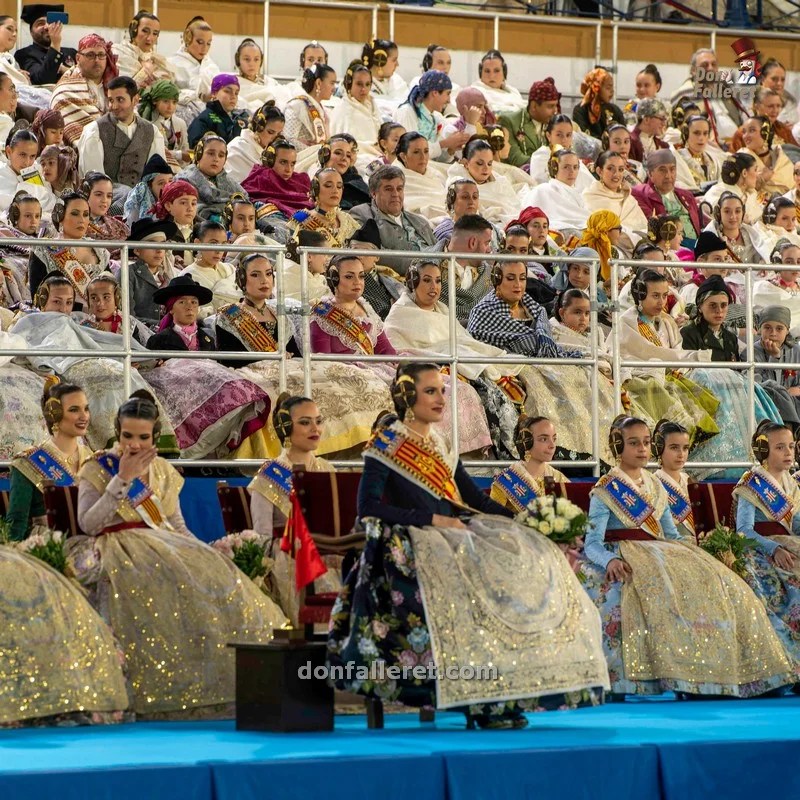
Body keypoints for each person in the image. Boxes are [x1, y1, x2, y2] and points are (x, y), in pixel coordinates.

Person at [328, 363, 608, 728]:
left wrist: (526, 523)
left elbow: (475, 498)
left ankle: (505, 690)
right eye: (430, 391)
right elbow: (367, 508)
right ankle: (479, 700)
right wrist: (432, 521)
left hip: (456, 534)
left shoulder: (442, 444)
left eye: (442, 391)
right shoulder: (386, 443)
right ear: (407, 395)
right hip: (413, 540)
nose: (440, 398)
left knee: (521, 561)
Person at [73, 390, 284, 716]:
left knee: (213, 578)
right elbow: (88, 523)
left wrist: (207, 554)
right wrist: (122, 479)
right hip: (114, 549)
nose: (135, 444)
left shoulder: (163, 473)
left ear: (155, 436)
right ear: (117, 431)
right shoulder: (98, 467)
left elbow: (177, 527)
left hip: (163, 546)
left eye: (143, 437)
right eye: (128, 435)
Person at [582, 415, 791, 697]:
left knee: (722, 583)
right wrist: (610, 560)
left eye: (645, 442)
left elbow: (672, 534)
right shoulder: (606, 489)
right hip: (626, 555)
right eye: (634, 443)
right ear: (618, 446)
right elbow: (591, 542)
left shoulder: (655, 487)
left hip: (663, 553)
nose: (642, 449)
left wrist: (701, 554)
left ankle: (713, 675)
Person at [468, 259, 616, 462]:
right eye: (510, 279)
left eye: (521, 278)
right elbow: (480, 346)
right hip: (512, 364)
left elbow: (548, 347)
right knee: (544, 390)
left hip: (547, 360)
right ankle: (555, 453)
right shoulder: (483, 312)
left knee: (587, 378)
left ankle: (598, 454)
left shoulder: (536, 309)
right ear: (496, 280)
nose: (518, 285)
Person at [383, 259, 521, 458]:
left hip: (459, 359)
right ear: (413, 282)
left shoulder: (444, 309)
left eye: (438, 281)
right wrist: (442, 352)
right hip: (433, 365)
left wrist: (456, 350)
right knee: (482, 391)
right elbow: (397, 348)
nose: (434, 287)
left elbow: (463, 340)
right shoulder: (400, 313)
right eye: (427, 281)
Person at [248, 394, 341, 624]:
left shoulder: (328, 470)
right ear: (285, 427)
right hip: (288, 559)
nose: (315, 428)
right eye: (305, 422)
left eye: (319, 421)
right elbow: (262, 536)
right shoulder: (269, 475)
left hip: (330, 553)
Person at [734, 420, 800, 669]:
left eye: (791, 446)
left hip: (791, 544)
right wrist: (774, 549)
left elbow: (796, 525)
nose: (789, 453)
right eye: (780, 448)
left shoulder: (791, 484)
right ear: (763, 450)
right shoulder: (751, 483)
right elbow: (743, 530)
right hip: (762, 549)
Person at [5, 377, 90, 541]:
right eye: (74, 410)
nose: (84, 416)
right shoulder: (28, 464)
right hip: (49, 550)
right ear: (54, 414)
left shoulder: (94, 459)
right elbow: (16, 527)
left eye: (86, 409)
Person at [76, 75, 165, 208]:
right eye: (111, 100)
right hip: (108, 201)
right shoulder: (95, 131)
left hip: (143, 200)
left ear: (135, 99)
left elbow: (157, 176)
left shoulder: (151, 131)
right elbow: (93, 181)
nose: (114, 106)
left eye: (120, 100)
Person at [349, 164, 435, 272]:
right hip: (396, 282)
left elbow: (437, 250)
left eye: (399, 189)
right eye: (388, 189)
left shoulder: (420, 221)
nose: (395, 194)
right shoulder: (362, 214)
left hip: (434, 277)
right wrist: (420, 264)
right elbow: (370, 255)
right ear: (373, 193)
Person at [29, 190, 109, 305]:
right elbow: (38, 300)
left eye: (85, 214)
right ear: (60, 217)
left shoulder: (100, 251)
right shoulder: (43, 250)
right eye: (75, 213)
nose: (82, 220)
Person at [49, 33, 116, 146]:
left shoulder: (114, 84)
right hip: (83, 152)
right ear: (78, 58)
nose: (97, 60)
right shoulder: (65, 91)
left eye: (101, 55)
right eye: (90, 55)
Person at [490, 416, 568, 511]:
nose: (552, 445)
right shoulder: (506, 481)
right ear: (526, 443)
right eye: (544, 439)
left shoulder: (559, 478)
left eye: (554, 439)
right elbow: (493, 520)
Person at [670, 49, 744, 148]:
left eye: (714, 64)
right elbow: (687, 132)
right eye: (705, 65)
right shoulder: (685, 94)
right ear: (693, 71)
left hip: (739, 145)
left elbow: (745, 117)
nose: (710, 68)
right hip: (710, 148)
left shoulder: (726, 89)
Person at [393, 70, 467, 163]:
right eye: (447, 94)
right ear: (435, 93)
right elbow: (411, 152)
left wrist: (451, 149)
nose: (449, 100)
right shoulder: (407, 112)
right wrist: (444, 143)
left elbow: (438, 160)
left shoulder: (436, 117)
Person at [632, 149, 702, 245]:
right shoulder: (640, 193)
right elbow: (652, 226)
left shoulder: (687, 195)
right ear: (650, 174)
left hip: (696, 245)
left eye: (672, 169)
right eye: (662, 170)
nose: (668, 175)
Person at [447, 138, 520, 226]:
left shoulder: (500, 180)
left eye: (489, 164)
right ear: (466, 163)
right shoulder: (457, 183)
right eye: (480, 163)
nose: (486, 168)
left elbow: (515, 207)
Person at [583, 150, 647, 249]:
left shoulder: (629, 199)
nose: (616, 174)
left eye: (621, 169)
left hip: (638, 250)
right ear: (600, 171)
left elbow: (644, 229)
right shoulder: (590, 197)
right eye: (610, 169)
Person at [241, 138, 312, 228]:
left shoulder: (301, 181)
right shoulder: (260, 179)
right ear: (270, 161)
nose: (288, 169)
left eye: (292, 164)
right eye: (283, 162)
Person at [175, 134, 247, 223]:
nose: (216, 159)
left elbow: (245, 201)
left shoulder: (230, 182)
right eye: (211, 153)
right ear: (199, 154)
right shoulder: (184, 180)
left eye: (221, 155)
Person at [167, 16, 220, 126]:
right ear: (188, 38)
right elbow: (167, 95)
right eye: (200, 42)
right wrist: (195, 96)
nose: (204, 48)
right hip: (181, 117)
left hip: (210, 116)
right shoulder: (171, 64)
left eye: (208, 43)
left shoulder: (212, 67)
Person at [522, 149, 590, 235]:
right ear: (554, 168)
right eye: (566, 167)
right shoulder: (542, 189)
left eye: (575, 167)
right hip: (560, 231)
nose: (572, 172)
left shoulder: (579, 194)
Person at [754, 305, 800, 429]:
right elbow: (761, 387)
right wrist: (774, 357)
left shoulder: (796, 351)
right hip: (766, 406)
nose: (773, 334)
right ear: (759, 329)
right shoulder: (751, 352)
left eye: (779, 329)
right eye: (767, 328)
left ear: (787, 330)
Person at [498, 77, 561, 168]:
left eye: (556, 105)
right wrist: (549, 165)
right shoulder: (509, 121)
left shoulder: (554, 124)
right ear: (534, 106)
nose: (555, 111)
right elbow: (515, 158)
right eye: (550, 106)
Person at [180, 219, 237, 317]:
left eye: (223, 244)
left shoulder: (230, 269)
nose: (219, 250)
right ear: (198, 243)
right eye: (213, 243)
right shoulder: (187, 276)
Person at [290, 166, 358, 248]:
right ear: (316, 189)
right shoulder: (302, 217)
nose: (335, 191)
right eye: (328, 185)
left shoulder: (348, 220)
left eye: (339, 186)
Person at [651, 420, 697, 541]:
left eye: (685, 448)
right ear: (659, 448)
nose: (681, 454)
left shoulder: (689, 481)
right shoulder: (653, 484)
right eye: (674, 448)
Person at [347, 220, 402, 319]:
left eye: (365, 251)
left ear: (377, 256)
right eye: (354, 250)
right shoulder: (343, 281)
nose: (359, 256)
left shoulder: (390, 281)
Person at [528, 113, 595, 190]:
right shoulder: (540, 156)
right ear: (548, 136)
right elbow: (541, 187)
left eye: (568, 135)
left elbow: (590, 185)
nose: (564, 140)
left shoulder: (573, 157)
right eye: (559, 135)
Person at [0, 129, 56, 220]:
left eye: (32, 156)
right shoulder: (1, 175)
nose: (27, 162)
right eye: (22, 155)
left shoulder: (38, 172)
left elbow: (51, 206)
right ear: (9, 152)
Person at [15, 4, 77, 86]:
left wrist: (62, 69)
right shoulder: (24, 54)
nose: (47, 27)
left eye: (50, 22)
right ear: (31, 31)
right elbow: (43, 80)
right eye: (40, 23)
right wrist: (55, 44)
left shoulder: (71, 52)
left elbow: (87, 77)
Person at [113, 10, 174, 91]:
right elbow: (123, 87)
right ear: (134, 30)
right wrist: (145, 71)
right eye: (145, 31)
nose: (149, 38)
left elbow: (169, 88)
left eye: (155, 33)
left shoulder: (159, 60)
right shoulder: (118, 52)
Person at [226, 101, 284, 185]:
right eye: (270, 132)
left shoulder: (272, 151)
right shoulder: (237, 148)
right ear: (258, 127)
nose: (275, 138)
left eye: (278, 134)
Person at [137, 80, 189, 172]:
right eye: (165, 101)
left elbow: (186, 153)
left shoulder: (181, 124)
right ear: (155, 101)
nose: (170, 107)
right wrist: (178, 155)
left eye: (174, 102)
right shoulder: (145, 123)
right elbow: (150, 153)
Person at [394, 131, 447, 220]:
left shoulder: (434, 173)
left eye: (426, 151)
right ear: (403, 156)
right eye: (416, 152)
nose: (423, 157)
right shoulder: (395, 178)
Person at [702, 152, 764, 226]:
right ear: (744, 173)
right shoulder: (717, 192)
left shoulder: (750, 193)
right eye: (755, 170)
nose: (757, 175)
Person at [737, 116, 794, 196]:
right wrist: (761, 179)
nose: (746, 136)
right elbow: (737, 191)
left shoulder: (781, 156)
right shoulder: (740, 158)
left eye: (752, 130)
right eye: (744, 132)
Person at [703, 190, 763, 265]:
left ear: (743, 212)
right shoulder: (711, 239)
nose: (733, 216)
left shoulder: (753, 237)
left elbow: (764, 259)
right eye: (727, 211)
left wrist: (763, 264)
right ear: (718, 213)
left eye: (737, 211)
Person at [283, 63, 335, 149]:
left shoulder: (323, 109)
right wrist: (316, 152)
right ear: (318, 83)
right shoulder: (296, 106)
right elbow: (288, 140)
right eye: (332, 83)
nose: (334, 88)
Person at [330, 59, 382, 143]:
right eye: (359, 84)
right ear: (349, 84)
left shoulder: (372, 106)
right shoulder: (343, 111)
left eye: (367, 84)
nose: (364, 89)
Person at [187, 73, 246, 148]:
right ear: (214, 93)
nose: (233, 96)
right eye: (227, 91)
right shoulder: (204, 119)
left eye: (236, 93)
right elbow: (195, 149)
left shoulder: (240, 118)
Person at [80, 171, 130, 257]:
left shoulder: (120, 227)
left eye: (109, 196)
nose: (104, 200)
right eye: (99, 194)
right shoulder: (74, 224)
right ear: (86, 194)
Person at [317, 133, 370, 211]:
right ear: (324, 154)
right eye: (338, 153)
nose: (344, 158)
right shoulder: (315, 181)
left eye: (348, 155)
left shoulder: (355, 180)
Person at [234, 37, 287, 112]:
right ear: (238, 60)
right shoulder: (233, 83)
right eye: (247, 59)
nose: (252, 64)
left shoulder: (269, 82)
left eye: (256, 59)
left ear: (261, 61)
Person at [675, 114, 724, 191]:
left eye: (705, 133)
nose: (701, 138)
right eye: (696, 133)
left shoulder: (714, 160)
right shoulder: (678, 160)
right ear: (687, 134)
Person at [573, 68, 625, 140]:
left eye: (612, 87)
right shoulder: (581, 110)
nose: (612, 91)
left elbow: (624, 133)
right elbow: (582, 138)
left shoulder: (615, 109)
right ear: (596, 88)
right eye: (608, 87)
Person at [122, 152, 173, 225]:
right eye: (161, 183)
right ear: (149, 186)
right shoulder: (137, 202)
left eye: (170, 181)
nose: (167, 186)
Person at [470, 49, 525, 115]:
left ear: (504, 73)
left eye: (496, 71)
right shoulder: (475, 93)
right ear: (480, 73)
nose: (491, 76)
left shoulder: (514, 92)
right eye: (487, 71)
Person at [362, 38, 407, 103]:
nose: (397, 64)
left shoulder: (397, 79)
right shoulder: (362, 86)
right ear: (380, 61)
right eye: (394, 60)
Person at [628, 97, 670, 164]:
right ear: (646, 119)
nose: (664, 123)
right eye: (661, 119)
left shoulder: (664, 146)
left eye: (665, 120)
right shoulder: (629, 142)